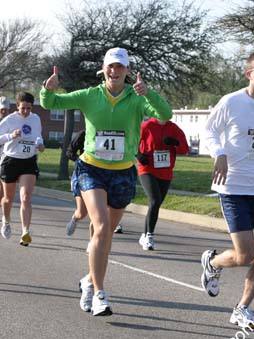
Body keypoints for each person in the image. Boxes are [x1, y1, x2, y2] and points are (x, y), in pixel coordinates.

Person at [40, 47, 172, 316]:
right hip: (92, 168)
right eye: (111, 66)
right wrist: (48, 89)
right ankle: (100, 293)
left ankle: (88, 281)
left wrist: (150, 93)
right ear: (104, 69)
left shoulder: (137, 99)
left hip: (123, 172)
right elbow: (51, 104)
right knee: (100, 226)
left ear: (127, 71)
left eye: (120, 67)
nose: (115, 71)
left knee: (106, 234)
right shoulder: (90, 95)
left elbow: (165, 114)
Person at [201, 50, 254, 329]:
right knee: (245, 256)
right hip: (233, 188)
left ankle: (242, 308)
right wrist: (219, 153)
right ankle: (213, 262)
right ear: (249, 74)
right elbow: (209, 131)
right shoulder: (232, 102)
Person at [0, 92, 45, 245]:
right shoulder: (9, 120)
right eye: (23, 108)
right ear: (17, 106)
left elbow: (38, 135)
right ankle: (6, 221)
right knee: (8, 199)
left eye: (29, 108)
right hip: (10, 160)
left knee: (26, 197)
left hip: (28, 161)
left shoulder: (35, 118)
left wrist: (40, 143)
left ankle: (25, 232)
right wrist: (11, 136)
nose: (26, 112)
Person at [137, 117, 189, 250]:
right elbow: (131, 141)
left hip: (165, 171)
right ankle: (149, 236)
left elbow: (184, 149)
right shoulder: (146, 126)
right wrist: (138, 155)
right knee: (155, 200)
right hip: (147, 168)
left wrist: (175, 142)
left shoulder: (174, 128)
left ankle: (144, 235)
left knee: (155, 204)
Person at [0, 96, 10, 203]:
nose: (3, 111)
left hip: (6, 155)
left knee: (3, 184)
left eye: (5, 109)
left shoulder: (10, 120)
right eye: (1, 109)